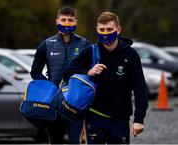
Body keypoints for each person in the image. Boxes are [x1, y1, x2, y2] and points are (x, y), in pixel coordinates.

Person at [63, 11, 148, 144]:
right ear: (97, 30)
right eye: (101, 29)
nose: (105, 33)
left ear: (118, 30)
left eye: (109, 29)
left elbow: (140, 88)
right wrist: (88, 72)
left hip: (121, 120)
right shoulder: (90, 51)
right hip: (95, 117)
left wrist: (139, 119)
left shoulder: (131, 55)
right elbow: (67, 74)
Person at [30, 7, 90, 144]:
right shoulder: (46, 45)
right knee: (55, 141)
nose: (67, 23)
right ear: (57, 21)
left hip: (76, 104)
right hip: (54, 104)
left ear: (76, 22)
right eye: (63, 20)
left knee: (76, 141)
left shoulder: (85, 44)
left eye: (70, 20)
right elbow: (35, 72)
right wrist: (50, 87)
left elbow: (92, 70)